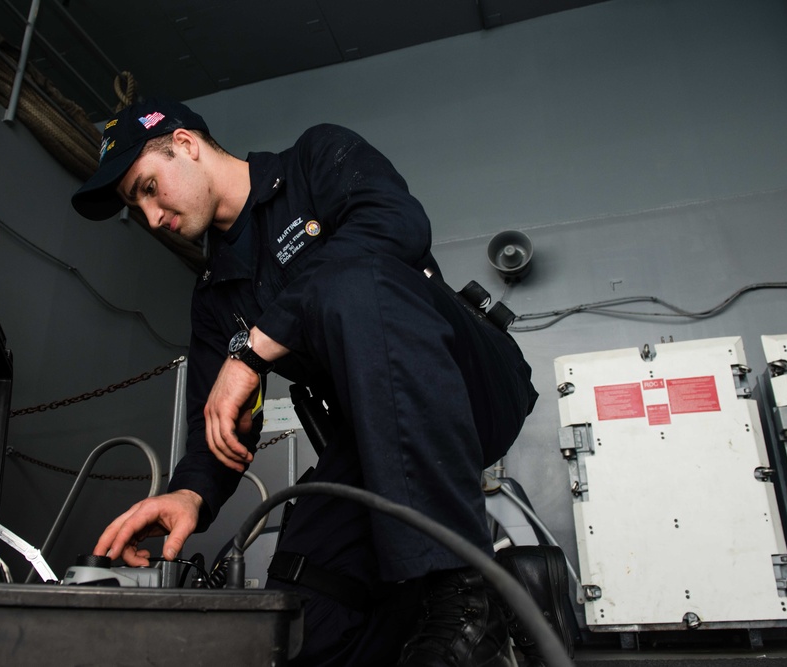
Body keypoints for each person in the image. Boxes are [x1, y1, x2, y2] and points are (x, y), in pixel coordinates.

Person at [72, 98, 563, 667]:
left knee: (348, 277)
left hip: (466, 382)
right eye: (138, 206)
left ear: (185, 144)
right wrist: (189, 493)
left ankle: (466, 596)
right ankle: (488, 607)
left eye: (149, 187)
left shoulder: (313, 160)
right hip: (376, 439)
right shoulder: (214, 296)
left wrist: (252, 351)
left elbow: (396, 225)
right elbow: (221, 419)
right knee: (307, 604)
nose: (153, 217)